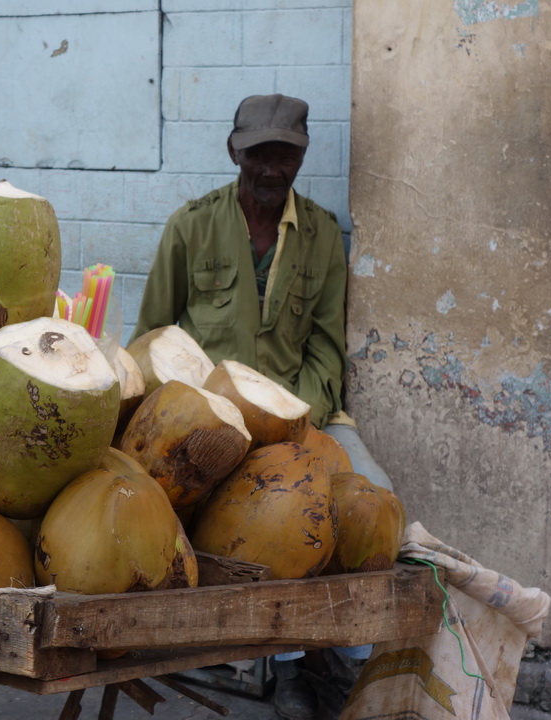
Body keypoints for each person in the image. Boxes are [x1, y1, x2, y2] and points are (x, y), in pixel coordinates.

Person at [130, 93, 393, 719]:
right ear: (234, 152)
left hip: (304, 413)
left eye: (285, 156)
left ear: (301, 158)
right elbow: (152, 336)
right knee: (258, 522)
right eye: (258, 155)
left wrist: (300, 420)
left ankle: (346, 661)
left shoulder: (322, 235)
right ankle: (292, 665)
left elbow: (326, 347)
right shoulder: (191, 226)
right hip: (211, 425)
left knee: (374, 502)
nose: (271, 169)